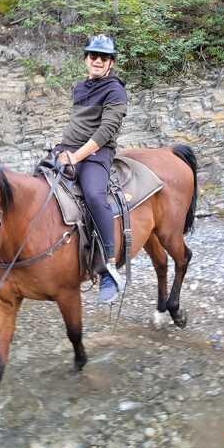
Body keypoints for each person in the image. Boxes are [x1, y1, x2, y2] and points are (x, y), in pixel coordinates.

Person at [57, 34, 127, 303]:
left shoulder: (115, 90)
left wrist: (76, 157)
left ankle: (108, 266)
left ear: (111, 62)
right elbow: (77, 124)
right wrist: (64, 151)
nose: (97, 60)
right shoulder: (80, 87)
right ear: (86, 59)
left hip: (97, 153)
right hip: (67, 148)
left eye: (104, 57)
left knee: (95, 196)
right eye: (93, 56)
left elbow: (106, 131)